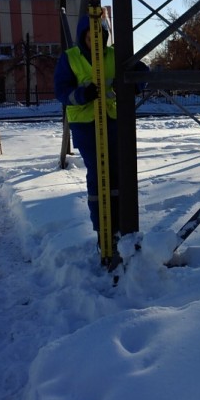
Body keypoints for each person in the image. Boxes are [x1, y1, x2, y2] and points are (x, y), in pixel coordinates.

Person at [53, 13, 147, 243]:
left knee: (117, 171)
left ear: (104, 36)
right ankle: (102, 230)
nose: (94, 41)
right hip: (85, 125)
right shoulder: (70, 58)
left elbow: (142, 73)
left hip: (112, 119)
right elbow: (61, 91)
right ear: (82, 37)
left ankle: (119, 225)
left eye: (99, 36)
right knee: (98, 174)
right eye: (89, 37)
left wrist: (133, 86)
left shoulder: (114, 55)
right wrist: (82, 95)